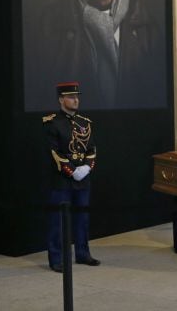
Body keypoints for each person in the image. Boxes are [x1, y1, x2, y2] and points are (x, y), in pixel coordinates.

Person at [43, 81, 100, 272]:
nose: (76, 100)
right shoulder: (52, 122)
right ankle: (56, 258)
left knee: (82, 219)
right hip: (62, 180)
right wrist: (71, 171)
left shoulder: (85, 122)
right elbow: (54, 152)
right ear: (61, 99)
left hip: (83, 178)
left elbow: (91, 149)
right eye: (71, 97)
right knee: (57, 221)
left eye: (77, 97)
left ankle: (83, 254)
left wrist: (85, 168)